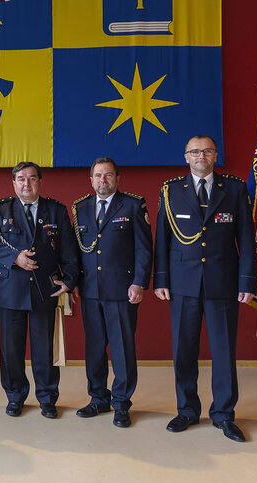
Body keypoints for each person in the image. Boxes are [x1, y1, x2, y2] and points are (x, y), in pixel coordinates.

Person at [153, 135, 257, 442]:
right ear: (186, 156)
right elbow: (163, 238)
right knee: (183, 351)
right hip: (182, 284)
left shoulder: (234, 189)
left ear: (215, 155)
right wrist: (161, 279)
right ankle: (186, 410)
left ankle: (224, 414)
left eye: (207, 151)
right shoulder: (171, 190)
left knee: (224, 352)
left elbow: (246, 238)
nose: (202, 156)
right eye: (195, 151)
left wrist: (247, 281)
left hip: (222, 282)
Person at [0, 162, 79, 418]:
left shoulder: (56, 210)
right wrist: (14, 258)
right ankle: (15, 396)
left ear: (40, 182)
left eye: (32, 178)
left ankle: (47, 398)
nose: (27, 184)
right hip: (11, 289)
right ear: (13, 183)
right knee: (11, 349)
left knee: (44, 348)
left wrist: (69, 279)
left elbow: (68, 249)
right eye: (21, 179)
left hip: (45, 289)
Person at [71, 157, 152, 428]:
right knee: (94, 348)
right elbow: (75, 250)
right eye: (98, 175)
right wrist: (74, 282)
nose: (102, 180)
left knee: (121, 349)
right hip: (90, 290)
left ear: (117, 178)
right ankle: (98, 399)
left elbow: (144, 248)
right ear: (91, 180)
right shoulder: (80, 208)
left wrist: (139, 283)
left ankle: (121, 404)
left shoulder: (132, 205)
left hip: (121, 290)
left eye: (107, 175)